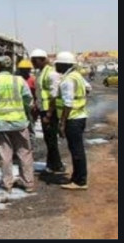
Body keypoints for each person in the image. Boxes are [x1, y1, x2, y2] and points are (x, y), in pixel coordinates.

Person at [0, 56, 35, 194]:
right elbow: (28, 99)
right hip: (19, 122)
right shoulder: (19, 80)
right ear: (11, 67)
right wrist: (25, 110)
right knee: (24, 153)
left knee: (5, 155)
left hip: (1, 123)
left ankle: (7, 184)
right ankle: (28, 183)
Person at [55, 52, 91, 190]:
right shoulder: (77, 76)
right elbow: (88, 88)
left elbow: (68, 103)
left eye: (58, 63)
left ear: (64, 65)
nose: (56, 66)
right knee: (77, 149)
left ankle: (80, 181)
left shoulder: (68, 80)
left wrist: (62, 123)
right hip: (80, 116)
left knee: (76, 150)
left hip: (72, 119)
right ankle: (77, 177)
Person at [30, 49, 66, 174]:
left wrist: (49, 114)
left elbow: (54, 96)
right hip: (43, 109)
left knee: (51, 139)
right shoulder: (41, 73)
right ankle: (53, 164)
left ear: (43, 60)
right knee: (48, 138)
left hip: (49, 111)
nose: (33, 63)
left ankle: (57, 165)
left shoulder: (51, 73)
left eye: (35, 61)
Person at [17, 59, 38, 150]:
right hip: (18, 108)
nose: (24, 71)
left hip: (30, 108)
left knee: (30, 128)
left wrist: (35, 105)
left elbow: (38, 94)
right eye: (22, 69)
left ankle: (30, 147)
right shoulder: (16, 80)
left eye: (26, 69)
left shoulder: (33, 80)